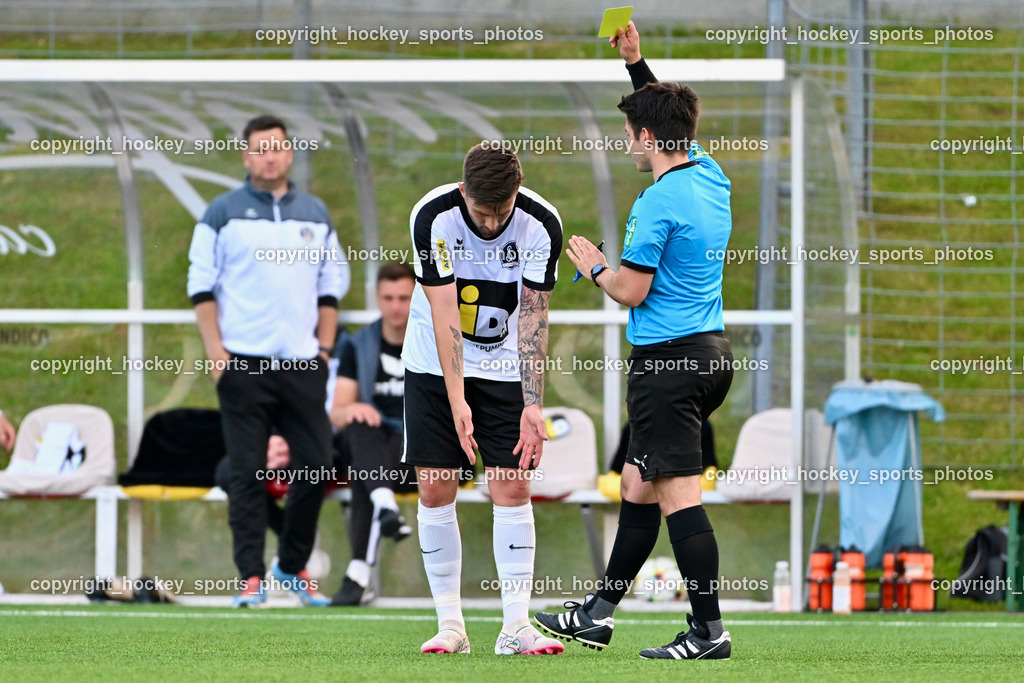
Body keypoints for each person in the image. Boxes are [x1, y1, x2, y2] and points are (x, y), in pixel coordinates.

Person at [535, 21, 735, 660]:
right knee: (638, 483)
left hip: (669, 365)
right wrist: (636, 65)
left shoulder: (657, 202)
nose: (629, 140)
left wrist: (594, 265)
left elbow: (632, 291)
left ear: (648, 138)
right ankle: (596, 614)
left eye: (632, 132)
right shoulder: (710, 174)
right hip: (710, 354)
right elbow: (666, 118)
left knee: (678, 494)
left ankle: (709, 632)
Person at [403, 143, 564, 655]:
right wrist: (457, 401)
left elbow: (535, 317)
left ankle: (516, 626)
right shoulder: (432, 216)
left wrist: (532, 403)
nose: (493, 225)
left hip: (504, 370)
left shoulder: (542, 224)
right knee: (434, 487)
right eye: (482, 212)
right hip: (434, 364)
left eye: (502, 212)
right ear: (462, 191)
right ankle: (451, 625)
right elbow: (445, 312)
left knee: (512, 487)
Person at [187, 114, 349, 608]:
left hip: (303, 365)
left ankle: (291, 564)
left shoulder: (315, 213)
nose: (269, 156)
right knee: (247, 472)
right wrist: (217, 353)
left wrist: (322, 351)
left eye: (277, 147)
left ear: (290, 153)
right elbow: (200, 286)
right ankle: (251, 577)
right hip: (244, 365)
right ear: (246, 155)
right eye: (260, 148)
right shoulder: (221, 212)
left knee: (318, 465)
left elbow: (331, 288)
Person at [328, 262, 420, 607]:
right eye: (388, 297)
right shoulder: (359, 345)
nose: (395, 306)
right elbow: (337, 412)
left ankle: (358, 574)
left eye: (404, 297)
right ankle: (384, 505)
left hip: (423, 457)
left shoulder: (433, 339)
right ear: (377, 299)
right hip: (376, 455)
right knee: (361, 426)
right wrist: (352, 410)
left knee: (368, 470)